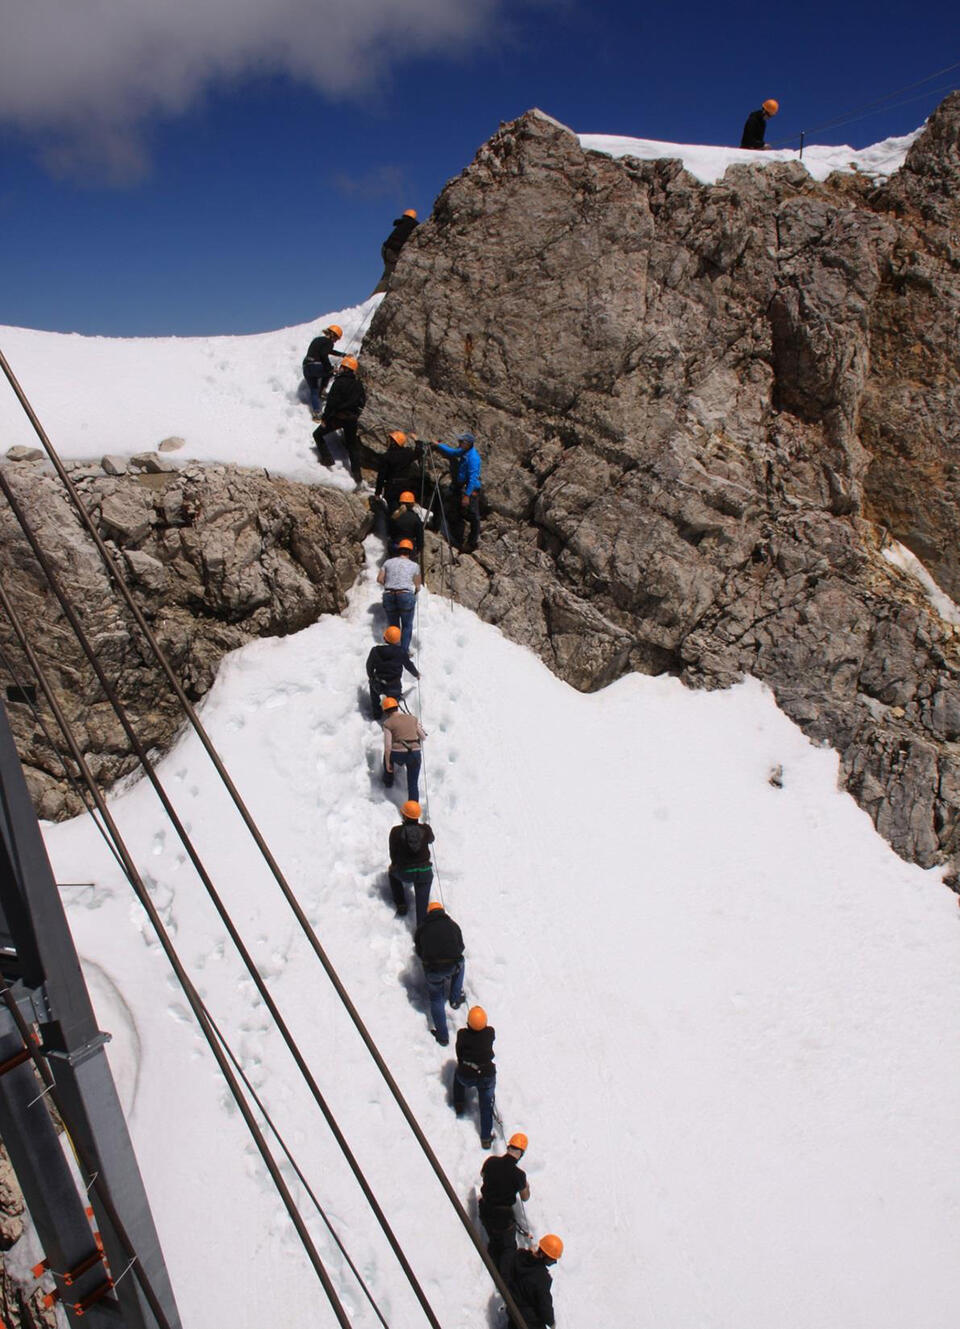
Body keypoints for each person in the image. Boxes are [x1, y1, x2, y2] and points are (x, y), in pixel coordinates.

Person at [414, 901, 465, 1044]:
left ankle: (443, 1037)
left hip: (433, 970)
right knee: (461, 963)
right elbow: (461, 947)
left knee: (436, 999)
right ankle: (455, 998)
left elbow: (419, 952)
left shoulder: (422, 929)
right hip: (452, 965)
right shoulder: (453, 925)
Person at [479, 1133, 530, 1262]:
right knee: (507, 1249)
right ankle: (502, 1277)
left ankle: (491, 1261)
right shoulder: (519, 1175)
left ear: (509, 1148)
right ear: (521, 1153)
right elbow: (525, 1197)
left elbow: (483, 1175)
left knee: (493, 1240)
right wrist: (526, 1185)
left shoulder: (491, 1161)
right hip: (502, 1218)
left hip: (485, 1209)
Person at [316, 356, 366, 485]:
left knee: (317, 434)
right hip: (352, 419)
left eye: (342, 367)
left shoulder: (339, 382)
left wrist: (325, 419)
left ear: (345, 368)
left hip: (337, 417)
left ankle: (327, 459)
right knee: (352, 446)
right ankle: (357, 474)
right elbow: (362, 401)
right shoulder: (358, 384)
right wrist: (356, 414)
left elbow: (332, 402)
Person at [432, 432, 482, 553]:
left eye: (461, 442)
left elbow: (472, 478)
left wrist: (467, 495)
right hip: (460, 488)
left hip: (469, 490)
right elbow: (452, 452)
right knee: (450, 506)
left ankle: (471, 543)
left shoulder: (473, 458)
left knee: (474, 517)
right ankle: (447, 532)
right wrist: (438, 445)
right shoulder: (463, 451)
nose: (458, 444)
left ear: (468, 443)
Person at [454, 1005, 496, 1147]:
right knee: (486, 1107)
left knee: (458, 1078)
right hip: (486, 1076)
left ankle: (459, 1102)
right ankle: (485, 1138)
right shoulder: (490, 1033)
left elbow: (459, 1053)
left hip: (467, 1074)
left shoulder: (462, 1035)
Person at [500, 1235, 563, 1329]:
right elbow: (544, 1304)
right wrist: (551, 1322)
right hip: (527, 1321)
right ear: (545, 1256)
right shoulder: (542, 1278)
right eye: (553, 1259)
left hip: (512, 1309)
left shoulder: (520, 1256)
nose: (554, 1262)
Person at [388, 799, 435, 922]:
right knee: (422, 906)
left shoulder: (396, 831)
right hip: (425, 872)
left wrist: (395, 866)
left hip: (405, 872)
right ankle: (422, 931)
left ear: (404, 815)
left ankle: (401, 903)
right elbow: (431, 839)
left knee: (392, 874)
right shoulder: (425, 830)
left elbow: (393, 854)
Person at [366, 625, 420, 719]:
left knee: (374, 696)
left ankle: (377, 714)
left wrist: (371, 677)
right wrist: (416, 674)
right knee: (394, 700)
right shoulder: (401, 652)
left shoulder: (375, 651)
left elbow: (369, 665)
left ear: (384, 638)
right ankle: (392, 717)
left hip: (378, 682)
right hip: (394, 684)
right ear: (398, 640)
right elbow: (408, 665)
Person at [377, 539, 421, 654]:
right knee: (406, 626)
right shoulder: (415, 565)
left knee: (393, 626)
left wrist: (389, 584)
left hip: (389, 595)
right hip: (405, 595)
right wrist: (415, 591)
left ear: (398, 550)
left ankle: (393, 651)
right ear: (410, 552)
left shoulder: (388, 562)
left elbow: (380, 579)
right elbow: (418, 585)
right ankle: (403, 652)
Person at [381, 696, 426, 802]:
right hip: (415, 753)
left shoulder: (388, 723)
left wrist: (388, 763)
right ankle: (413, 812)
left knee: (387, 756)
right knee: (413, 784)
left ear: (385, 711)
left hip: (398, 754)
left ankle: (388, 780)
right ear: (397, 707)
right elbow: (423, 737)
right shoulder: (413, 719)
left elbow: (388, 747)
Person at [302, 324, 344, 421]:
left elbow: (328, 351)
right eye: (336, 339)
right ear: (333, 335)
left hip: (306, 367)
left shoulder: (317, 340)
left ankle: (316, 413)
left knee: (313, 390)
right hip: (315, 366)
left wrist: (343, 355)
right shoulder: (329, 342)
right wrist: (330, 369)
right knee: (330, 372)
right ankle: (323, 391)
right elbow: (324, 354)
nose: (335, 341)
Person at [375, 430, 423, 513]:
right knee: (405, 510)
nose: (388, 441)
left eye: (390, 440)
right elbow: (419, 452)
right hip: (405, 486)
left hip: (392, 488)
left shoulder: (386, 456)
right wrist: (417, 440)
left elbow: (381, 476)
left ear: (394, 442)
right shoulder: (407, 453)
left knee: (393, 511)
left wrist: (377, 492)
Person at [378, 209, 419, 289]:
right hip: (392, 251)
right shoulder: (411, 224)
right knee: (389, 275)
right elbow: (420, 227)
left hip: (385, 249)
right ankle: (379, 294)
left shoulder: (400, 223)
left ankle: (378, 293)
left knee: (387, 271)